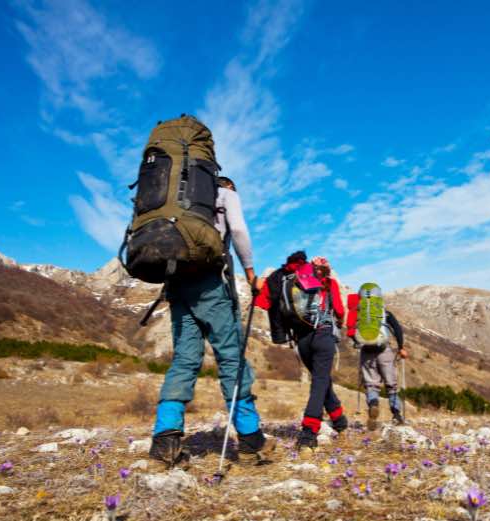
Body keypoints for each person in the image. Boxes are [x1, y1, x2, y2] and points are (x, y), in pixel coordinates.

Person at [149, 175, 275, 466]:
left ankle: (164, 442)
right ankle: (250, 441)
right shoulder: (225, 193)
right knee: (231, 358)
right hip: (210, 284)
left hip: (177, 284)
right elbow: (239, 230)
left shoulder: (177, 200)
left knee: (183, 360)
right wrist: (251, 273)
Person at [258, 255, 348, 455]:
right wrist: (340, 321)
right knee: (320, 381)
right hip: (323, 335)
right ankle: (309, 431)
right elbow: (340, 310)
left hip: (302, 341)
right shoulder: (329, 283)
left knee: (321, 380)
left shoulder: (295, 283)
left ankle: (339, 420)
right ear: (327, 271)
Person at [360, 309, 407, 428]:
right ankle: (396, 415)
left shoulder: (361, 312)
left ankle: (373, 404)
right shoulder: (384, 312)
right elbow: (397, 329)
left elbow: (351, 331)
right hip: (384, 350)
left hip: (366, 352)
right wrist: (401, 347)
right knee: (391, 384)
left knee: (371, 384)